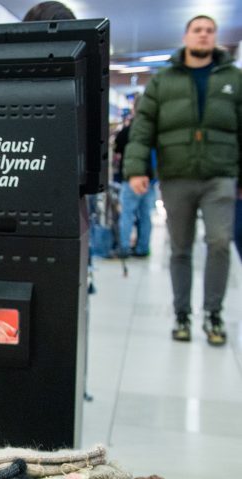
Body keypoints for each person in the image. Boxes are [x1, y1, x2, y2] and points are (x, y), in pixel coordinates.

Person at [124, 15, 242, 346]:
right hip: (177, 176)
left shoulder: (234, 78)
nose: (204, 35)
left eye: (209, 31)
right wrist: (137, 169)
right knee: (180, 248)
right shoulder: (164, 80)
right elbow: (143, 126)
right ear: (186, 36)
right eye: (197, 30)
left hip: (220, 174)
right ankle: (181, 314)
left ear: (215, 38)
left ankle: (213, 314)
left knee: (219, 243)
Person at [114, 111, 155, 257]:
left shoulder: (127, 130)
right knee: (145, 216)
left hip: (130, 178)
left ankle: (124, 248)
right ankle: (142, 248)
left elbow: (117, 150)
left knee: (127, 215)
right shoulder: (153, 129)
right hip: (149, 178)